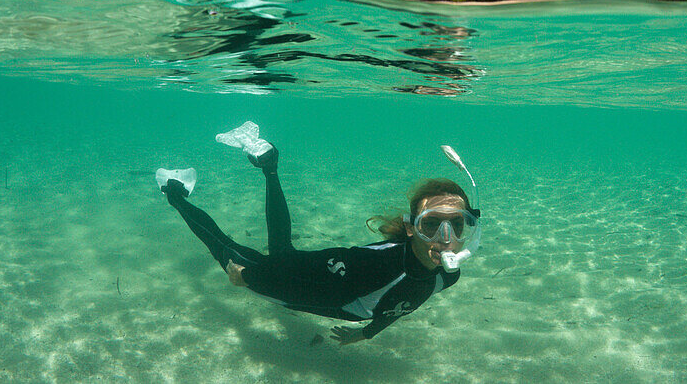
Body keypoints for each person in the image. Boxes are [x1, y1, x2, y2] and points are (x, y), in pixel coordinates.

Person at [155, 129, 479, 344]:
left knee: (282, 249)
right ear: (411, 228)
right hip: (285, 285)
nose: (445, 237)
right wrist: (252, 276)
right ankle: (173, 191)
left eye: (458, 224)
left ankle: (268, 165)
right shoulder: (376, 264)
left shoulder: (447, 276)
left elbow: (400, 305)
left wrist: (365, 335)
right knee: (222, 246)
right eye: (431, 223)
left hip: (303, 280)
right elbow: (312, 274)